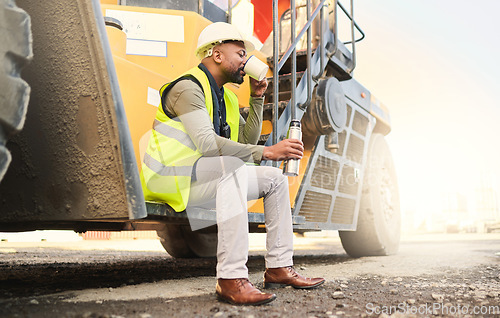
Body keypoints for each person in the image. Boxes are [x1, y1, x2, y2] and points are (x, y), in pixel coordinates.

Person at [140, 22, 325, 306]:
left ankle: (279, 267)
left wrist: (256, 98)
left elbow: (245, 140)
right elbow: (208, 145)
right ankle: (230, 278)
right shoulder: (187, 88)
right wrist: (268, 152)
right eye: (240, 54)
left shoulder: (225, 95)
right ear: (216, 55)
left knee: (273, 180)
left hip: (204, 174)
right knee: (234, 167)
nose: (245, 62)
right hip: (170, 177)